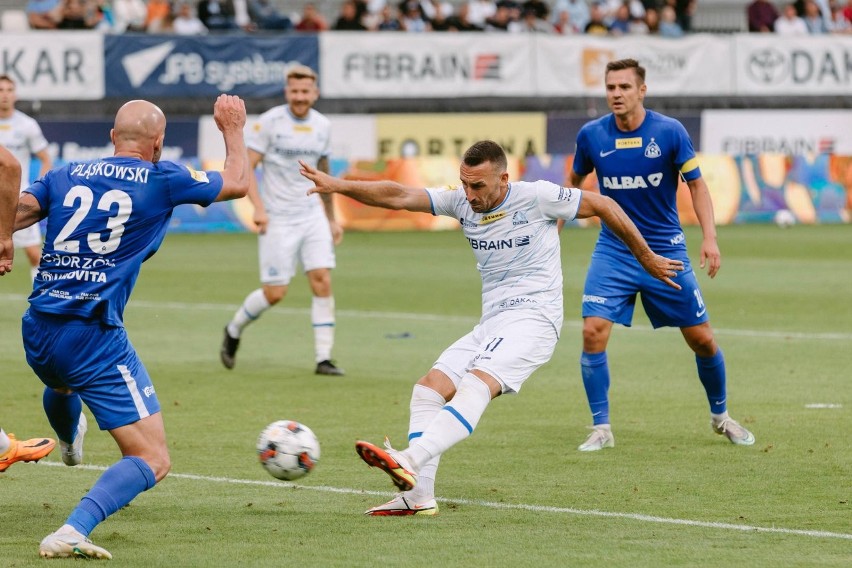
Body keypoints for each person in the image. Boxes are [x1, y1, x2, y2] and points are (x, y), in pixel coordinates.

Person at [298, 140, 684, 515]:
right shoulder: (460, 201)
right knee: (428, 390)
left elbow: (602, 203)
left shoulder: (537, 195)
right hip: (494, 321)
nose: (468, 193)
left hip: (535, 318)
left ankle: (409, 459)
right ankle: (418, 497)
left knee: (474, 384)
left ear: (504, 178)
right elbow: (398, 195)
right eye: (464, 183)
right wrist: (338, 185)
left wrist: (646, 256)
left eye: (477, 185)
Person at [5, 94, 249, 559]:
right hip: (93, 336)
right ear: (158, 144)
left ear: (113, 137)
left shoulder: (64, 173)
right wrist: (232, 127)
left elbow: (16, 214)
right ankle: (73, 530)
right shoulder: (164, 178)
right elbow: (237, 183)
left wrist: (2, 236)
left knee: (61, 386)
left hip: (37, 327)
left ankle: (69, 443)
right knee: (153, 459)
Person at [566, 58, 755, 452]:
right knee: (591, 332)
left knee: (702, 339)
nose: (616, 94)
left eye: (624, 87)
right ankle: (601, 427)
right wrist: (553, 226)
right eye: (610, 87)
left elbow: (698, 187)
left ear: (641, 91)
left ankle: (721, 417)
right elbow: (571, 186)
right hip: (614, 251)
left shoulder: (669, 132)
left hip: (665, 250)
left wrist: (710, 238)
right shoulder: (591, 136)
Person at [221, 65, 345, 376]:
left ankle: (323, 358)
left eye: (305, 92)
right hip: (277, 218)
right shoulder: (269, 123)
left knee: (322, 279)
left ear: (315, 93)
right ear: (287, 92)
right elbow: (245, 169)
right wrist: (258, 208)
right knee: (275, 293)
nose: (300, 97)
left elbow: (325, 175)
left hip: (312, 214)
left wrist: (331, 219)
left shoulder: (323, 125)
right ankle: (234, 329)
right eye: (294, 91)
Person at [0, 75, 53, 282]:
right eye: (0, 90)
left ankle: (42, 302)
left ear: (16, 95)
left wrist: (37, 189)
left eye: (9, 90)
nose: (4, 95)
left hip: (17, 200)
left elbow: (46, 159)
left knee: (34, 254)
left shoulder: (27, 125)